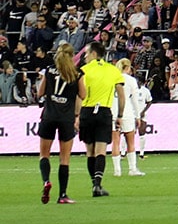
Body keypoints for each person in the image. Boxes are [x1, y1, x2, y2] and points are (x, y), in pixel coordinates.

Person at [78, 40, 126, 197]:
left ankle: (94, 184)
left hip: (87, 111)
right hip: (104, 112)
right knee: (101, 151)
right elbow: (121, 95)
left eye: (86, 53)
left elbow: (79, 94)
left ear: (93, 54)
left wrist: (77, 115)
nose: (84, 57)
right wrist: (120, 115)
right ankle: (97, 185)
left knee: (90, 151)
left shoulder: (84, 70)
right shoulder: (113, 71)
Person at [37, 42, 82, 205]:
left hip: (49, 115)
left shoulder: (49, 70)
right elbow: (82, 94)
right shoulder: (77, 73)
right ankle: (62, 194)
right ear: (72, 56)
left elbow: (40, 92)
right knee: (64, 158)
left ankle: (46, 181)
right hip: (66, 118)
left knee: (44, 154)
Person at [110, 57, 149, 177]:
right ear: (127, 68)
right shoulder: (131, 80)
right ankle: (132, 169)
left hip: (113, 112)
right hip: (126, 112)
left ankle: (117, 170)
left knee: (115, 142)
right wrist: (138, 116)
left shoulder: (111, 78)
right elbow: (135, 100)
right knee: (130, 141)